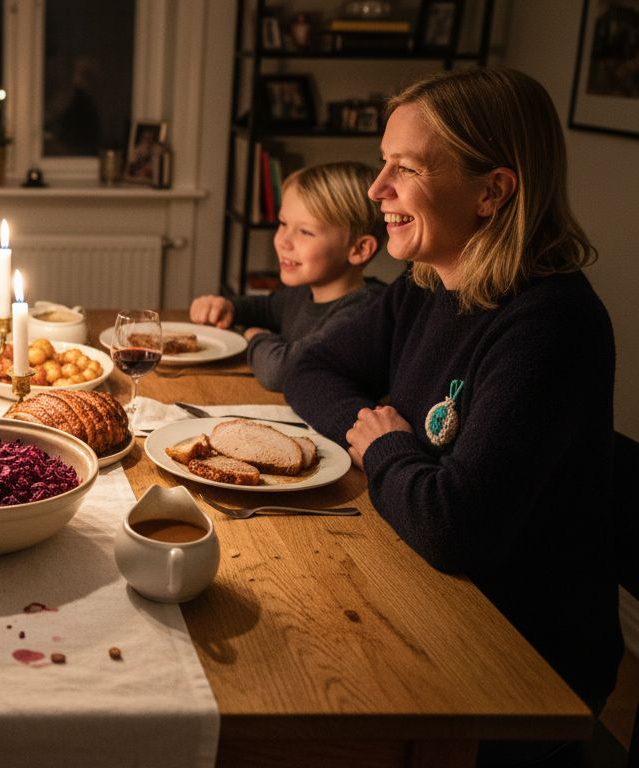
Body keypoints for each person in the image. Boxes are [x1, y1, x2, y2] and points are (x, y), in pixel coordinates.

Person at [285, 67, 620, 754]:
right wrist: (375, 428)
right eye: (384, 165)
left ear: (492, 191)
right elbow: (309, 367)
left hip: (517, 663)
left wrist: (384, 450)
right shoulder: (427, 286)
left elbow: (452, 525)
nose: (378, 190)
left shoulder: (551, 325)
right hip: (424, 592)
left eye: (404, 168)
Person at [189, 161, 385, 391]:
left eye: (305, 231)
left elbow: (281, 372)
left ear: (359, 249)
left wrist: (256, 338)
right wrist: (227, 307)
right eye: (283, 223)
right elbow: (266, 308)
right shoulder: (303, 293)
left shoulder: (364, 313)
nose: (283, 241)